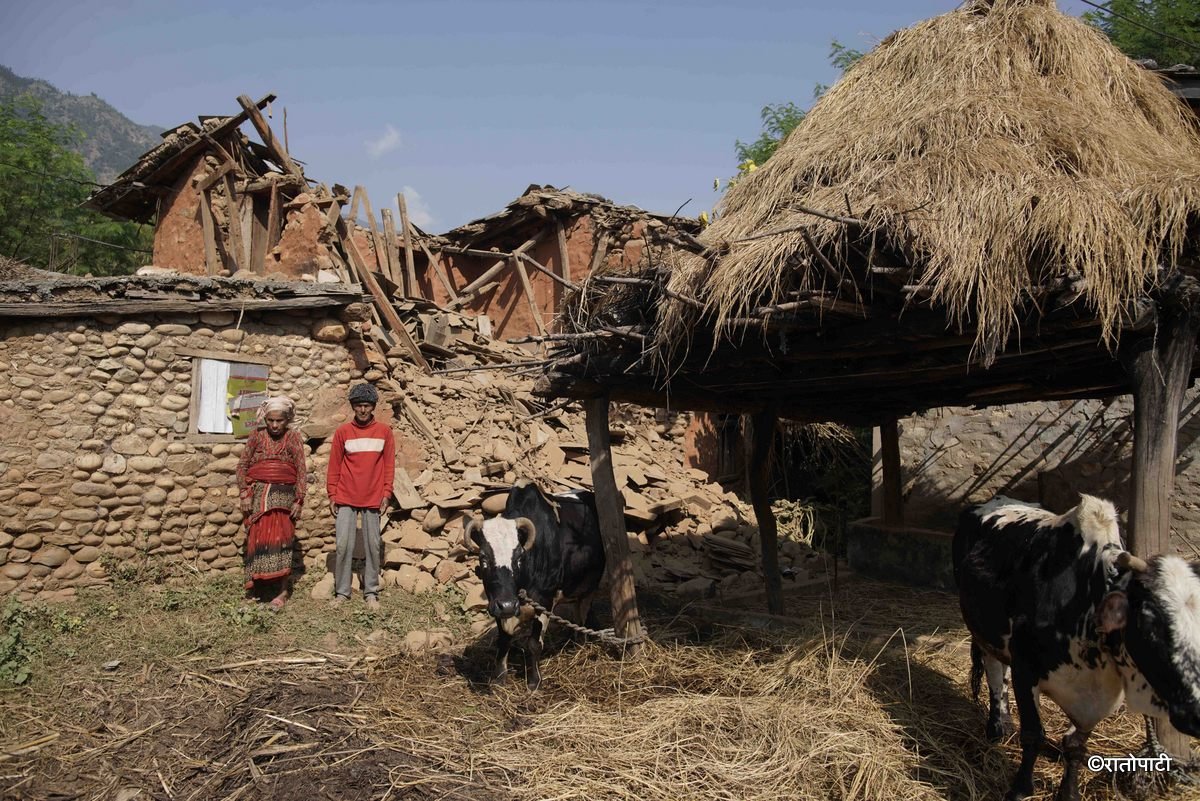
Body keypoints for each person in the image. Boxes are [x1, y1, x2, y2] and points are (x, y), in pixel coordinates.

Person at [235, 396, 306, 610]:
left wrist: (299, 499)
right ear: (265, 419)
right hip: (257, 498)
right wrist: (245, 494)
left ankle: (282, 591)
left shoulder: (293, 437)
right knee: (255, 540)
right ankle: (252, 590)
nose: (275, 425)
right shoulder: (256, 437)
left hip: (285, 499)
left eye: (279, 421)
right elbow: (242, 466)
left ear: (287, 420)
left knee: (283, 540)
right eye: (270, 421)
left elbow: (301, 470)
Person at [327, 382, 394, 609]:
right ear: (353, 407)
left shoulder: (384, 432)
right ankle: (342, 592)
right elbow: (334, 465)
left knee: (373, 545)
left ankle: (371, 592)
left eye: (366, 405)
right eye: (358, 406)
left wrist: (386, 492)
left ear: (373, 406)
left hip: (373, 497)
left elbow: (389, 466)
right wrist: (332, 493)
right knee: (344, 544)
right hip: (345, 495)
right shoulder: (343, 432)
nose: (363, 410)